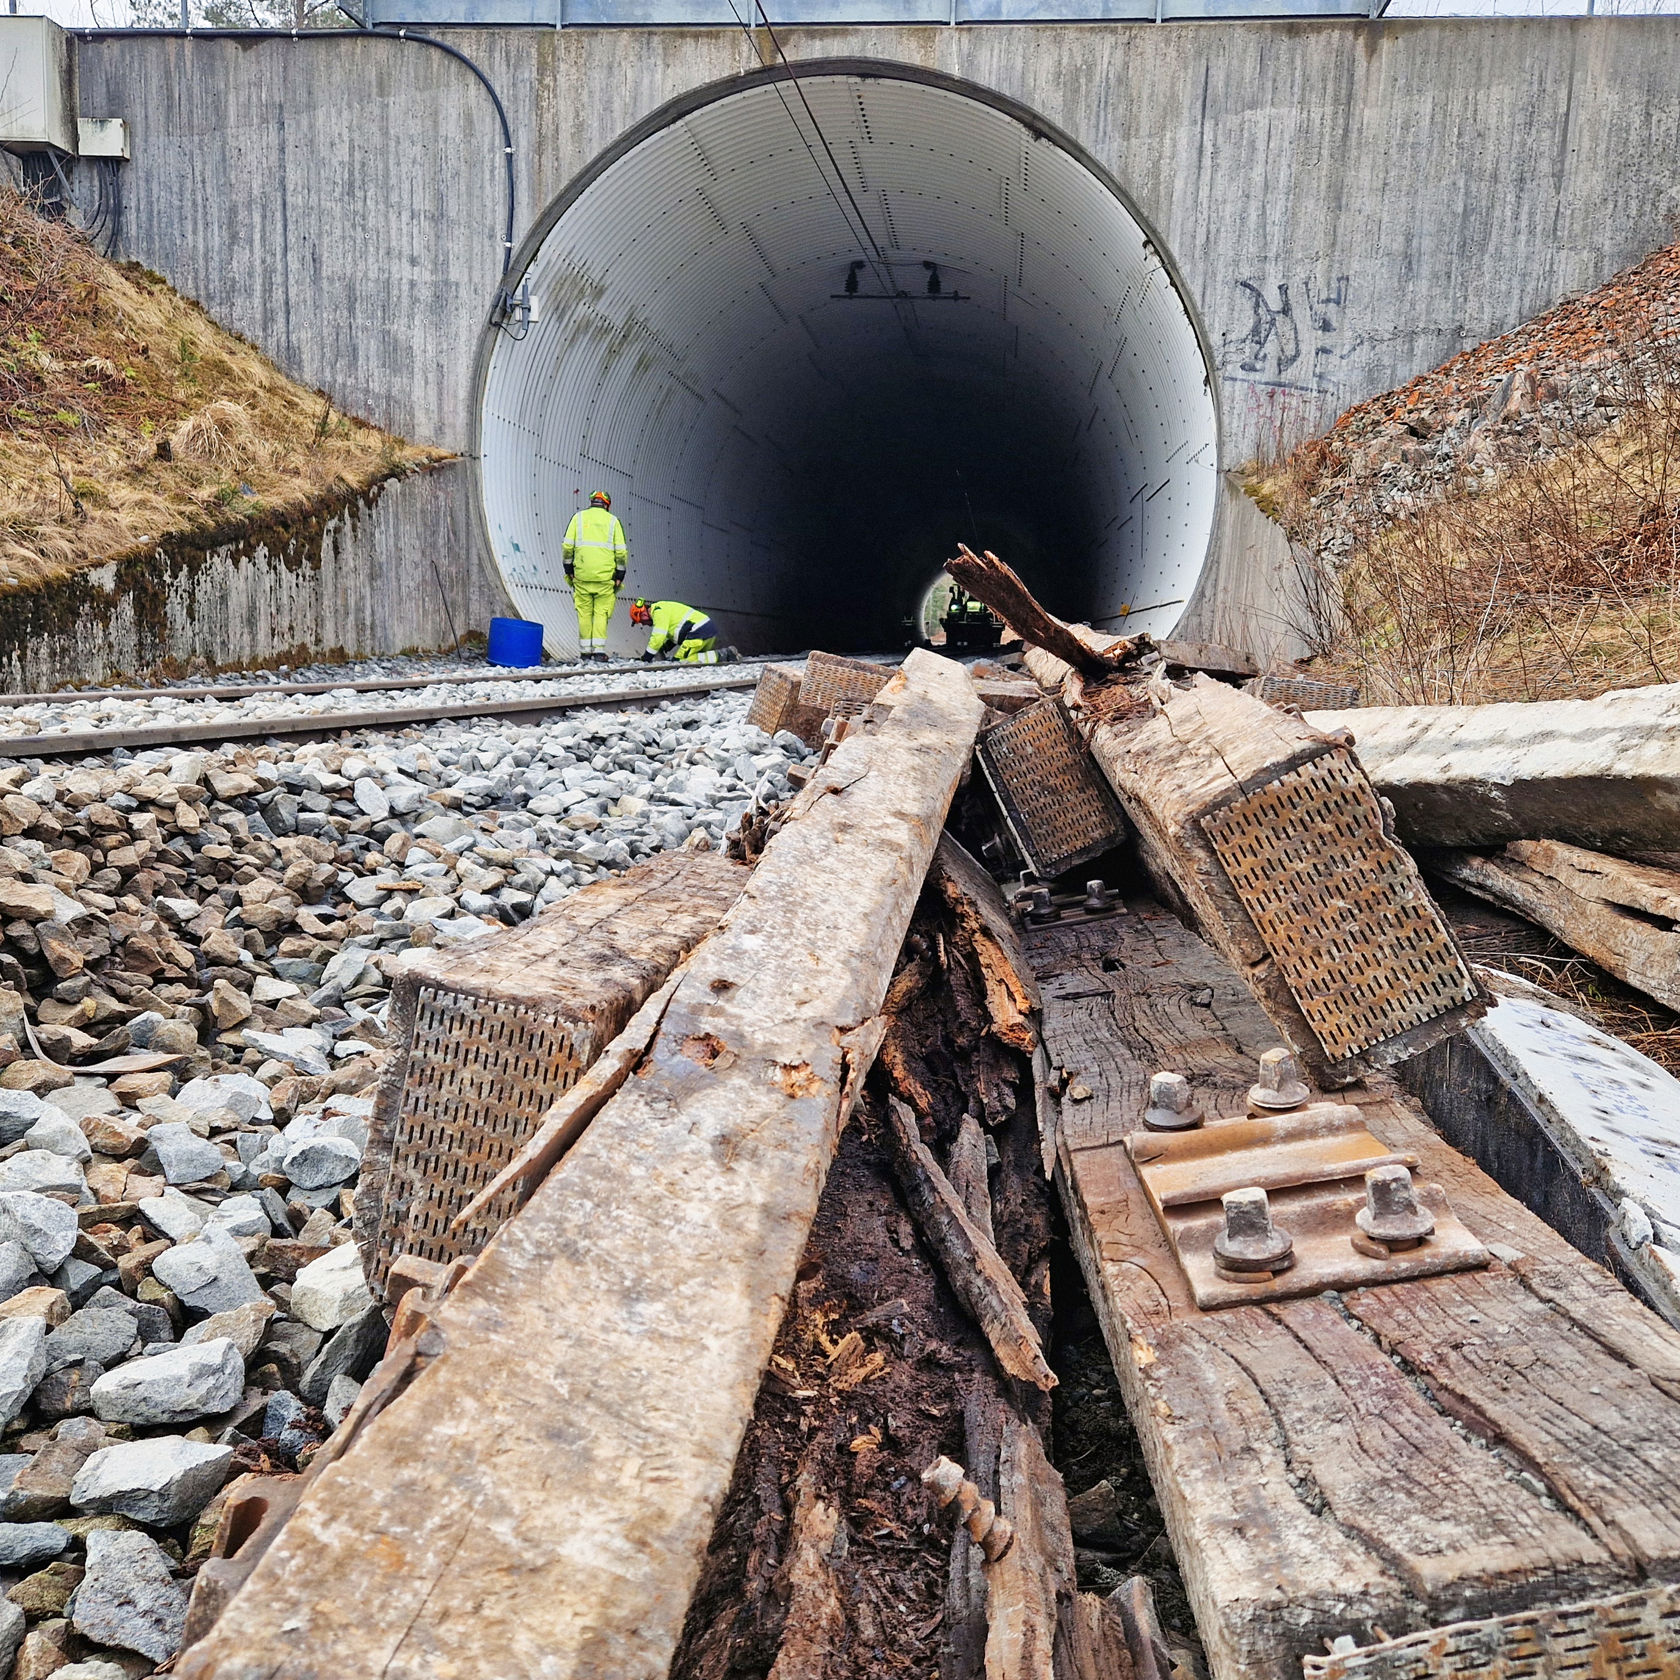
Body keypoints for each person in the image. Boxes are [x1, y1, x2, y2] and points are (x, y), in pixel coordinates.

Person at [562, 491, 627, 662]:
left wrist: (568, 568)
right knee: (601, 613)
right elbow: (621, 552)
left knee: (584, 613)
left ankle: (585, 652)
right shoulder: (613, 521)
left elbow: (568, 546)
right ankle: (598, 652)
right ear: (607, 505)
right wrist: (620, 574)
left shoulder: (578, 518)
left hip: (582, 575)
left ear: (592, 502)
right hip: (605, 578)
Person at [629, 599, 740, 665]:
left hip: (698, 632)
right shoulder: (662, 607)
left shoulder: (658, 613)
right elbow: (677, 632)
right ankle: (725, 655)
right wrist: (665, 647)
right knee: (698, 657)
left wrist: (646, 658)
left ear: (643, 614)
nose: (643, 624)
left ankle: (724, 654)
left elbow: (657, 638)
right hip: (705, 630)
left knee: (680, 662)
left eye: (641, 622)